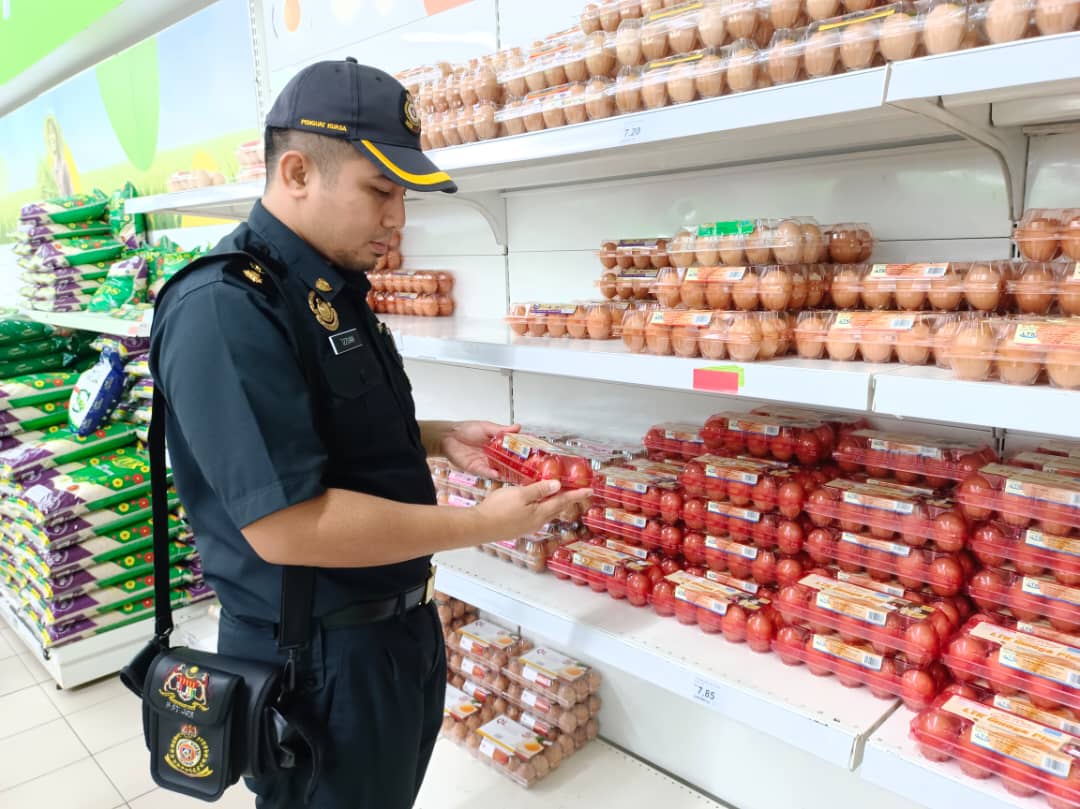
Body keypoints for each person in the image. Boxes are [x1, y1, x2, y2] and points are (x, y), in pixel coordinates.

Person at [149, 58, 591, 809]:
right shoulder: (224, 308)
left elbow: (323, 432)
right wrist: (477, 525)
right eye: (380, 190)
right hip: (317, 661)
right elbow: (289, 523)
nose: (398, 219)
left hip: (391, 634)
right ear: (296, 171)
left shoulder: (324, 285)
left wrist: (439, 435)